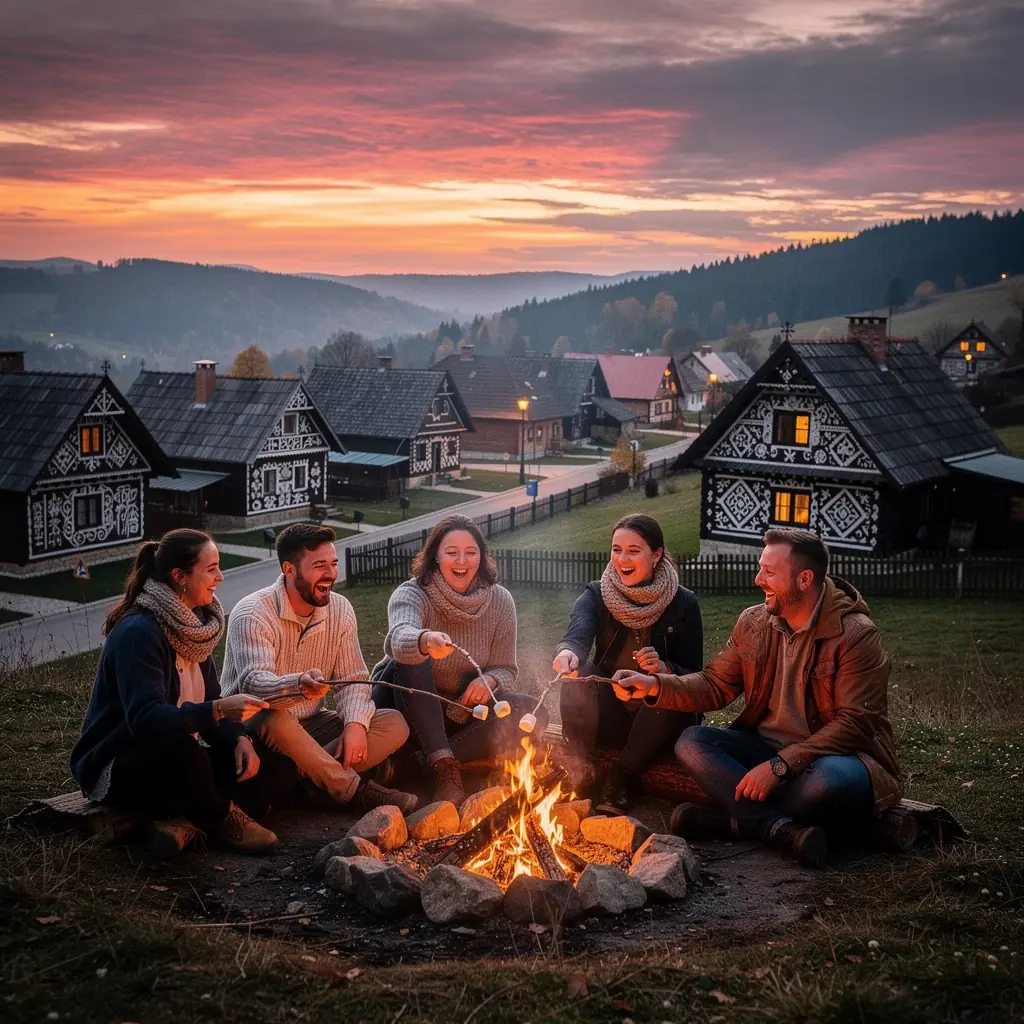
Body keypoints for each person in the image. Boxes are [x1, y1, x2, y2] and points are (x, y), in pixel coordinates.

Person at [612, 527, 903, 867]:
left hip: (838, 759)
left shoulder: (856, 635)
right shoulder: (754, 622)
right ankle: (775, 827)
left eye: (769, 572)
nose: (757, 579)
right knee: (691, 742)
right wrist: (657, 686)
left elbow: (855, 725)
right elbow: (714, 684)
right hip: (764, 749)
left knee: (826, 783)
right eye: (760, 568)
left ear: (804, 579)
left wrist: (781, 766)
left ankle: (733, 821)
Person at [71, 529, 295, 856]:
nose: (220, 576)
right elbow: (145, 721)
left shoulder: (194, 627)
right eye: (211, 568)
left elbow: (209, 704)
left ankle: (181, 822)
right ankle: (220, 819)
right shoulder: (140, 632)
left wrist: (238, 739)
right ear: (180, 576)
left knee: (276, 770)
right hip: (121, 758)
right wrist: (218, 710)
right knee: (185, 754)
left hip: (175, 756)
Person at [221, 523, 417, 814]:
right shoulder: (253, 613)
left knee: (394, 723)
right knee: (274, 717)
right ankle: (354, 790)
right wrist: (298, 685)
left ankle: (307, 782)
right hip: (255, 728)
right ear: (289, 569)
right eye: (319, 565)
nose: (331, 574)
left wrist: (354, 725)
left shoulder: (340, 609)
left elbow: (352, 679)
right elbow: (254, 685)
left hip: (312, 726)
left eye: (334, 563)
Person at [376, 514, 545, 806]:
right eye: (451, 553)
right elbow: (399, 638)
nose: (461, 562)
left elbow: (506, 669)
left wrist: (488, 679)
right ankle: (445, 770)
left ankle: (417, 765)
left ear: (481, 557)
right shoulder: (413, 593)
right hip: (406, 705)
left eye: (470, 553)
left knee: (531, 712)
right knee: (412, 658)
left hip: (464, 714)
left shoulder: (500, 601)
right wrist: (424, 640)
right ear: (435, 557)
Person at [554, 513, 703, 812]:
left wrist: (664, 670)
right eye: (617, 549)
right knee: (579, 674)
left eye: (634, 550)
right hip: (612, 716)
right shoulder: (597, 593)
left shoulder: (684, 603)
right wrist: (567, 652)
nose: (623, 558)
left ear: (657, 554)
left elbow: (697, 679)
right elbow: (577, 632)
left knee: (667, 687)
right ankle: (581, 769)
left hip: (661, 723)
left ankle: (622, 776)